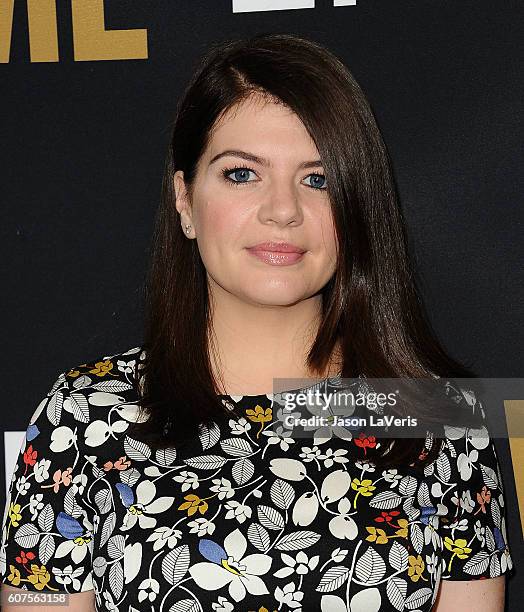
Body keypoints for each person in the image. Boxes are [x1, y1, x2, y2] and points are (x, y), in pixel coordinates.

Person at [0, 33, 514, 612]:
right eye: (242, 174)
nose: (283, 209)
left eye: (317, 179)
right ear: (185, 200)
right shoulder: (84, 418)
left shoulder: (436, 418)